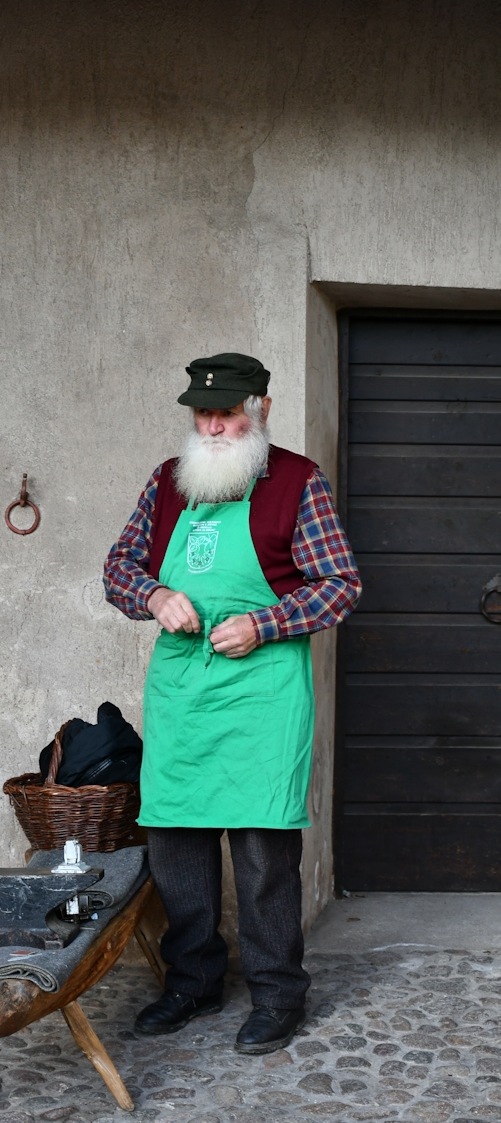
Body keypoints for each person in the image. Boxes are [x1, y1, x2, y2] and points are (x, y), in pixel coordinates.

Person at [103, 352, 361, 1054]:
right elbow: (119, 567)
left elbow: (340, 583)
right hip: (184, 691)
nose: (215, 426)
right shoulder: (168, 482)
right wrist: (154, 594)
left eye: (229, 412)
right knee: (177, 842)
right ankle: (192, 982)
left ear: (262, 409)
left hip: (263, 694)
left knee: (260, 851)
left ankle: (278, 993)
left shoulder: (299, 483)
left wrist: (264, 622)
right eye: (204, 413)